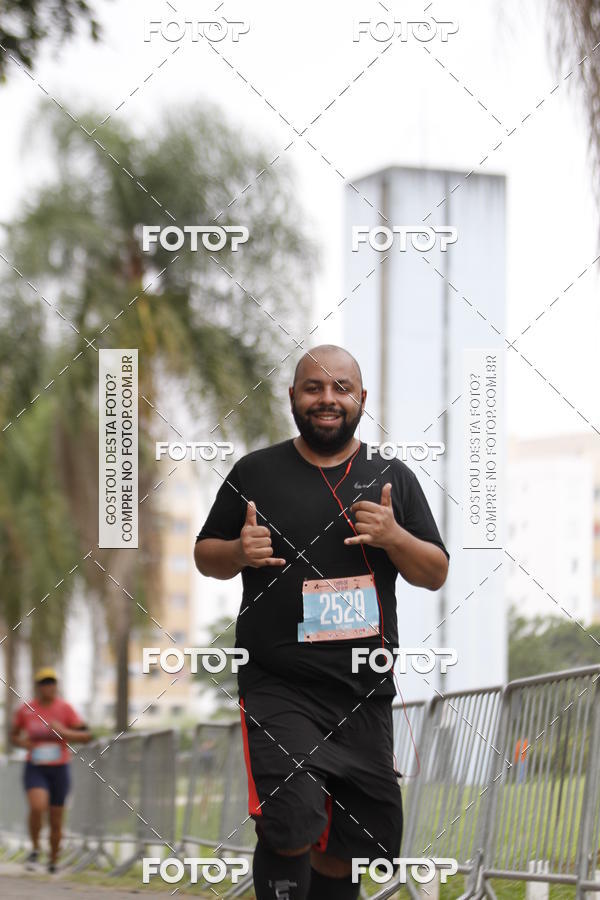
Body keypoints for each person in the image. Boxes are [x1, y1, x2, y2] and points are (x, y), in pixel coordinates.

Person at [194, 345, 449, 900]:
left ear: (362, 398)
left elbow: (434, 572)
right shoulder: (254, 473)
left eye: (341, 388)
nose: (327, 399)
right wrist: (237, 551)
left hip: (363, 690)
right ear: (293, 397)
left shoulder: (392, 477)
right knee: (291, 818)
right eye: (313, 388)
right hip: (278, 685)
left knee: (349, 847)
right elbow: (205, 554)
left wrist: (394, 537)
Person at [10, 667, 92, 873]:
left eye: (51, 682)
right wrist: (24, 743)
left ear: (56, 686)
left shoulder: (65, 709)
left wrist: (63, 731)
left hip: (59, 769)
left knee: (56, 818)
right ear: (38, 687)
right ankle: (35, 848)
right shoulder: (26, 709)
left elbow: (86, 736)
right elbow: (14, 735)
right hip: (35, 768)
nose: (48, 686)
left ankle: (53, 860)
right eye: (44, 683)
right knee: (38, 806)